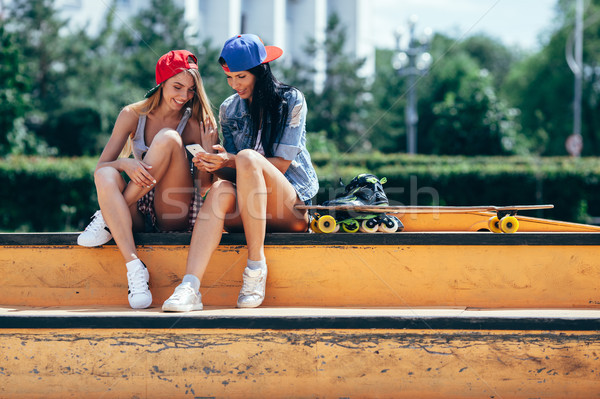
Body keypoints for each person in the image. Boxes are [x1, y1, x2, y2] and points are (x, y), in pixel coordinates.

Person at [162, 34, 319, 312]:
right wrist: (216, 164)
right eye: (229, 78)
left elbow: (281, 165)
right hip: (246, 211)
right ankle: (190, 286)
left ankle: (256, 268)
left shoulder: (291, 100)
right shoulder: (228, 108)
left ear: (260, 72)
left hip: (289, 209)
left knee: (247, 157)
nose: (235, 85)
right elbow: (232, 178)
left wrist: (232, 159)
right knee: (221, 189)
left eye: (242, 77)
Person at [77, 50, 218, 309]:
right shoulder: (132, 115)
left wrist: (207, 154)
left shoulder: (197, 123)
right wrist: (124, 162)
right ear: (161, 83)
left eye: (190, 91)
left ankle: (106, 217)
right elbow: (101, 167)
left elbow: (205, 185)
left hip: (173, 207)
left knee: (168, 137)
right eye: (177, 87)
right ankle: (135, 267)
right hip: (139, 207)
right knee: (107, 173)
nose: (184, 96)